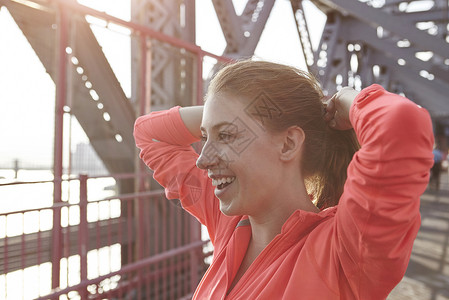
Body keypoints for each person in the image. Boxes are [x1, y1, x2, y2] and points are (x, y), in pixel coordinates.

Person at [134, 60, 434, 299]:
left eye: (226, 136)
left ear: (289, 143)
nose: (203, 159)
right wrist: (226, 113)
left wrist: (344, 100)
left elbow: (401, 124)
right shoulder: (231, 227)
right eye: (204, 137)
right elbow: (149, 134)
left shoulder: (346, 252)